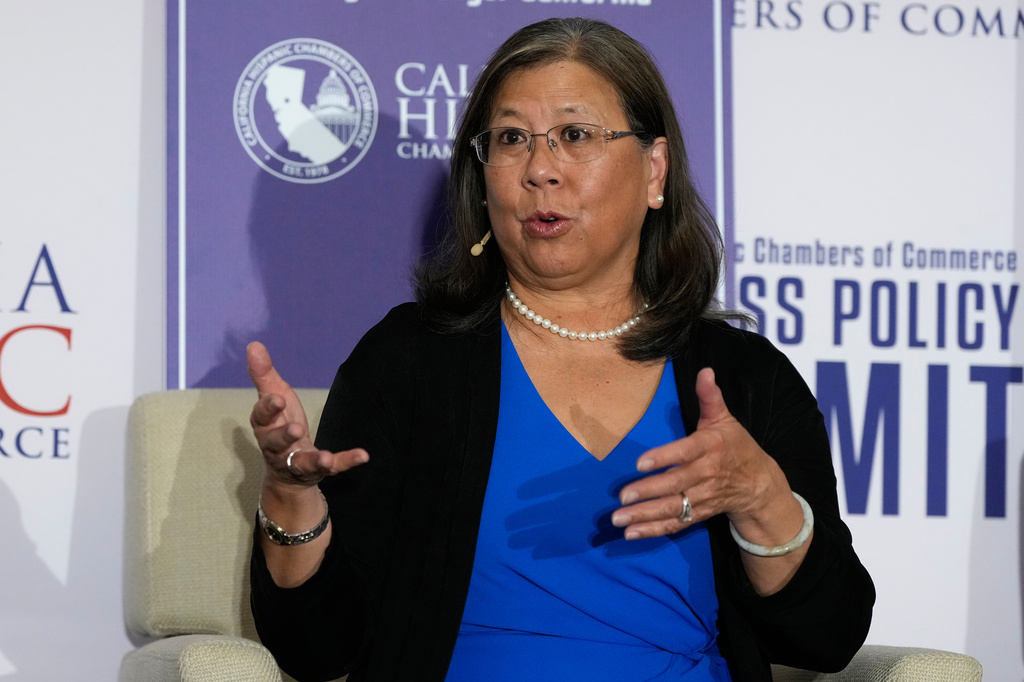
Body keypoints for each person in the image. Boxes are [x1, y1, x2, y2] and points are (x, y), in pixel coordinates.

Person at [247, 17, 874, 682]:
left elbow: (827, 638)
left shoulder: (746, 378)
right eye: (511, 139)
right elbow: (317, 650)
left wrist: (758, 495)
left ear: (654, 170)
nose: (540, 170)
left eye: (575, 135)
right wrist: (291, 497)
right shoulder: (410, 362)